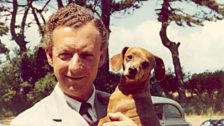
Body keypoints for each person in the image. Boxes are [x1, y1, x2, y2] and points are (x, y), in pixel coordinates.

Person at [10, 4, 137, 126]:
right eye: (65, 54)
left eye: (86, 55)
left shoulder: (130, 111)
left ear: (101, 57)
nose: (75, 67)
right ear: (49, 56)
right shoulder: (27, 123)